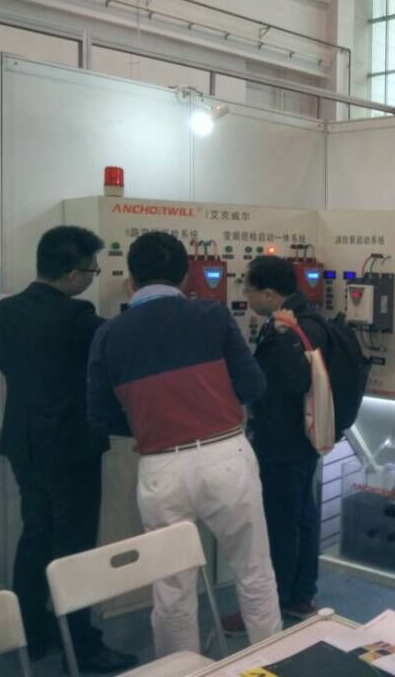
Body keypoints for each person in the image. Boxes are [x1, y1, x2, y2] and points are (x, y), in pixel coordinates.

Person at [87, 231, 281, 657]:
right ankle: (271, 662)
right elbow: (253, 385)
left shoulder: (110, 335)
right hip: (225, 456)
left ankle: (181, 669)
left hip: (161, 468)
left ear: (131, 281)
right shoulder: (213, 316)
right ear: (187, 276)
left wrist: (151, 420)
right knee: (254, 572)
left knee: (172, 588)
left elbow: (100, 415)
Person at [0, 226, 137, 672]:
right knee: (74, 545)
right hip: (70, 446)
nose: (93, 277)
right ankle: (81, 646)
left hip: (24, 441)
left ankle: (31, 636)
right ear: (73, 274)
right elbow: (119, 346)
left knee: (35, 533)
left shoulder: (3, 312)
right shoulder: (76, 315)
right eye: (93, 270)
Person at [242, 255, 328, 620]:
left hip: (283, 441)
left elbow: (293, 382)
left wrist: (283, 338)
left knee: (280, 522)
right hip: (302, 438)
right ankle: (299, 594)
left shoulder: (290, 328)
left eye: (248, 290)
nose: (245, 297)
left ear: (269, 293)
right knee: (302, 515)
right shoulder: (310, 318)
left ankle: (273, 605)